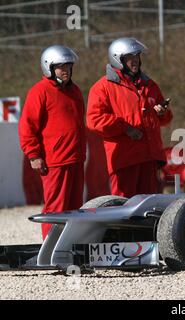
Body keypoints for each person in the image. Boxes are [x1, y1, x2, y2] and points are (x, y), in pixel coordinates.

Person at [87, 38, 173, 197]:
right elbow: (94, 120)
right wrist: (125, 128)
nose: (135, 61)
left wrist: (163, 112)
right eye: (129, 58)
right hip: (124, 159)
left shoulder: (150, 85)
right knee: (123, 206)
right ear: (117, 59)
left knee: (148, 207)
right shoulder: (102, 87)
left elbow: (165, 120)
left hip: (149, 158)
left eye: (137, 56)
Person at [18, 45, 86, 240]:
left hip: (75, 159)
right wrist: (34, 155)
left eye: (68, 66)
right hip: (55, 161)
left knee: (75, 210)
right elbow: (27, 126)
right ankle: (51, 249)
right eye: (60, 67)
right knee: (56, 208)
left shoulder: (75, 91)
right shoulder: (39, 91)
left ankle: (71, 247)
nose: (65, 70)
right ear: (49, 67)